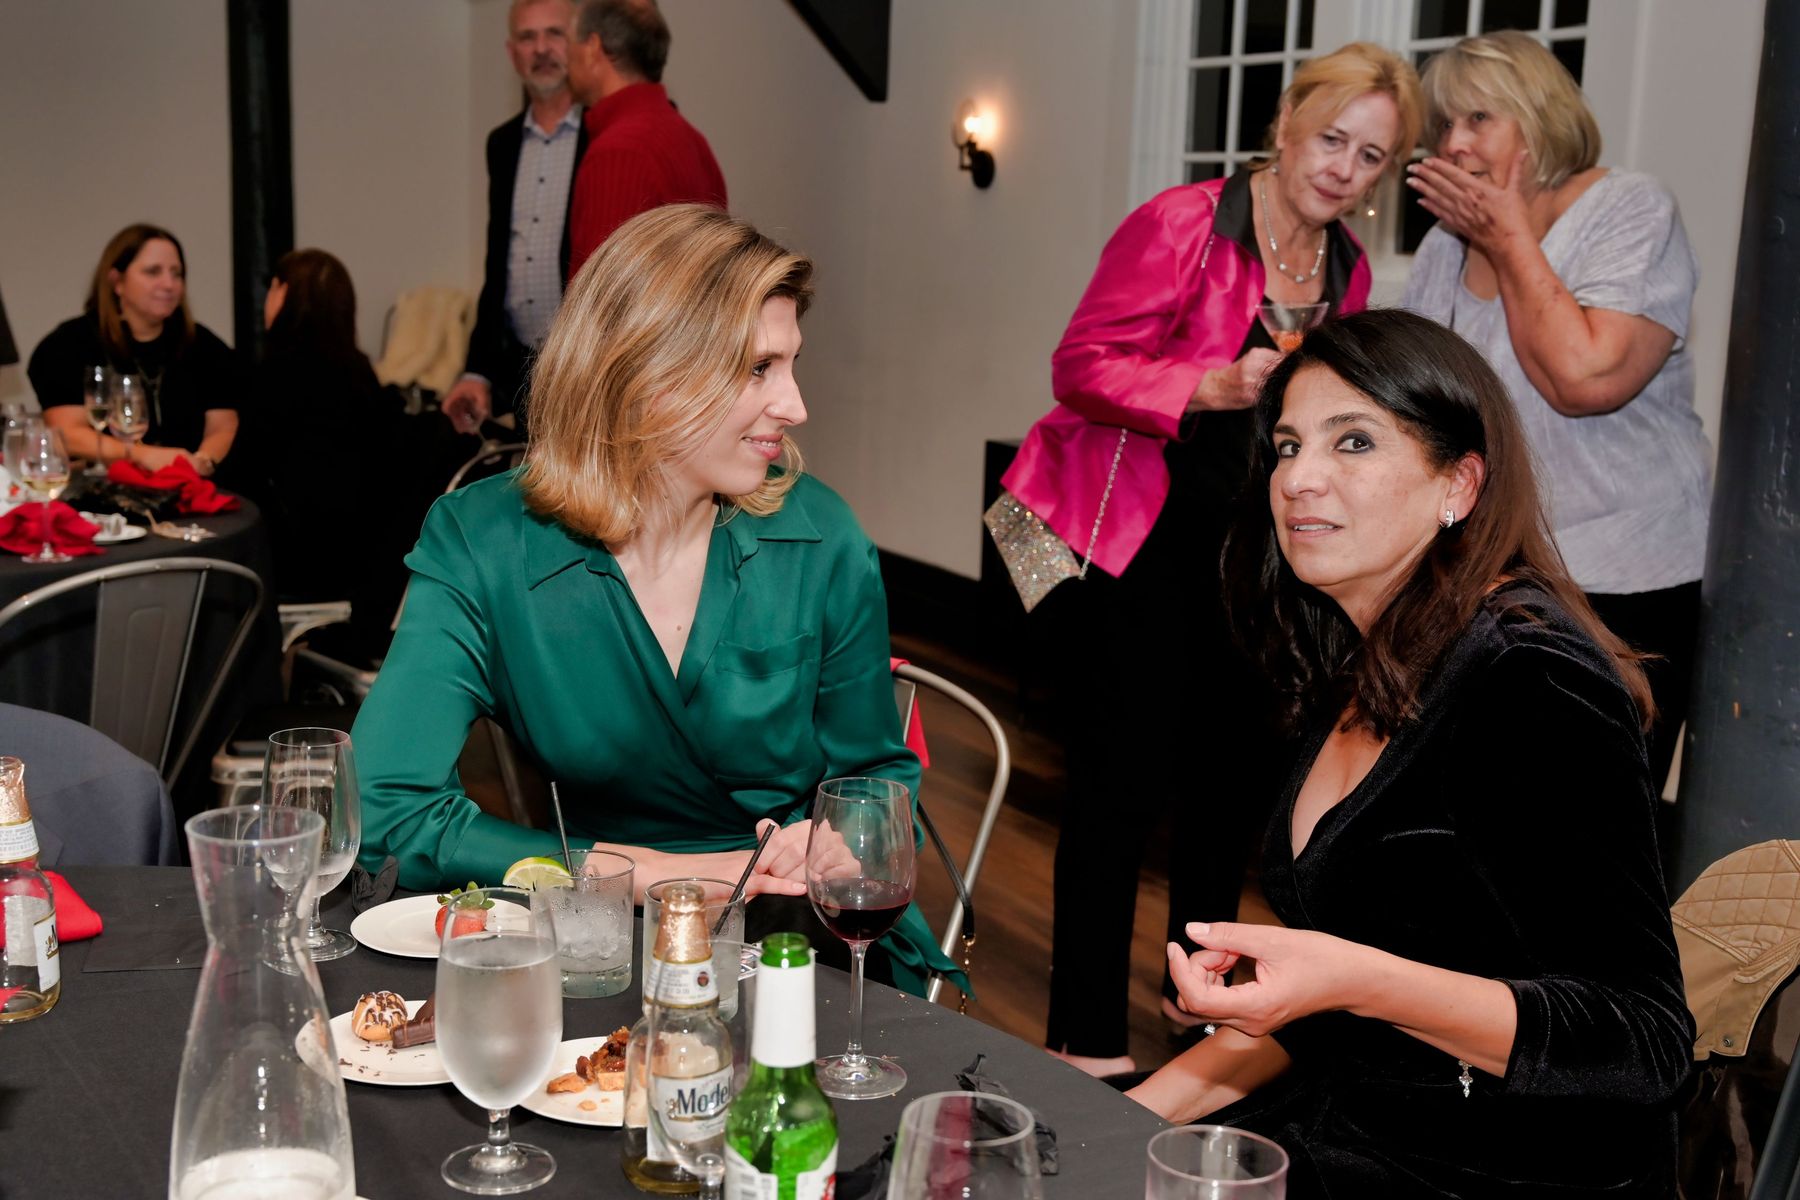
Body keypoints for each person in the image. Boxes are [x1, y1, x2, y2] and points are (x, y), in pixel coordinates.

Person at [1126, 309, 1693, 1197]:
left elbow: (1644, 1041)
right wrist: (1110, 1125)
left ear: (1458, 484)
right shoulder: (1361, 657)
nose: (1298, 478)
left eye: (1352, 441)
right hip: (1355, 1119)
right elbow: (1328, 999)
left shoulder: (1529, 678)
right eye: (1286, 446)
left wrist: (1355, 979)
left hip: (1507, 1169)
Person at [351, 204, 955, 997]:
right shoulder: (486, 542)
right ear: (647, 374)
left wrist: (837, 838)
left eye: (790, 364)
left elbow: (877, 777)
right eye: (758, 368)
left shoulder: (822, 540)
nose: (795, 405)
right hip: (596, 933)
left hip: (799, 942)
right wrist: (641, 875)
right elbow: (385, 808)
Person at [1002, 43, 1424, 1076]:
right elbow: (1079, 365)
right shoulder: (1183, 224)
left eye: (1370, 156)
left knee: (1230, 787)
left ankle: (1194, 1005)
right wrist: (1210, 386)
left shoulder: (1349, 269)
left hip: (1260, 554)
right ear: (1286, 125)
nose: (1343, 170)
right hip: (1135, 543)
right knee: (1118, 789)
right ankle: (1085, 1041)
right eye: (1331, 139)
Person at [1402, 31, 1709, 794]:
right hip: (1491, 580)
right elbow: (1423, 408)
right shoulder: (1444, 247)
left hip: (1626, 581)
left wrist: (1508, 237)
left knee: (1593, 823)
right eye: (1444, 125)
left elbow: (1584, 377)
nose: (1454, 143)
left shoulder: (1629, 209)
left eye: (1478, 119)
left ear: (1538, 120)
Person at [237, 249, 412, 655]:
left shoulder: (274, 377)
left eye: (273, 288)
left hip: (297, 564)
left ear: (285, 295)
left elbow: (242, 476)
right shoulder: (363, 377)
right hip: (364, 563)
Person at [442, 0, 588, 436]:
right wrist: (477, 372)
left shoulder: (604, 135)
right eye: (527, 37)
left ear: (579, 43)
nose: (541, 49)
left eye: (554, 33)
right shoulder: (502, 143)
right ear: (512, 52)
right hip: (524, 372)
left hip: (588, 368)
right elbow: (498, 267)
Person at [27, 224, 243, 476]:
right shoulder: (69, 343)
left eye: (177, 274)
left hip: (189, 485)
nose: (169, 284)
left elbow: (223, 426)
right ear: (117, 281)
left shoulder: (203, 344)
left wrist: (201, 462)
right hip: (103, 488)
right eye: (153, 272)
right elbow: (67, 433)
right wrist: (141, 455)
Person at [563, 0, 726, 276]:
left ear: (592, 48)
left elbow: (603, 291)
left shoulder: (618, 152)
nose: (564, 58)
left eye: (568, 43)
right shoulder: (692, 139)